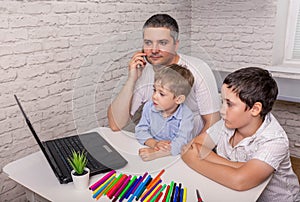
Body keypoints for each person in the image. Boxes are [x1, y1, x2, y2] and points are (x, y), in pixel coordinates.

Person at [181, 67, 300, 201]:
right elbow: (196, 145)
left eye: (229, 104)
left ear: (255, 109)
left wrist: (194, 160)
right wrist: (238, 167)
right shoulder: (228, 122)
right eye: (222, 101)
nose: (222, 110)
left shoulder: (275, 140)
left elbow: (240, 180)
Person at [107, 13, 220, 137]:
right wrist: (131, 79)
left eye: (162, 43)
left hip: (190, 145)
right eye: (148, 43)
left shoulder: (199, 69)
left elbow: (213, 123)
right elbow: (115, 124)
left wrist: (190, 153)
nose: (154, 50)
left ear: (175, 45)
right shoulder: (143, 72)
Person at [135, 64, 195, 161]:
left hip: (174, 157)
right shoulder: (149, 107)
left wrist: (156, 153)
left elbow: (182, 142)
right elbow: (140, 130)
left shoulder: (186, 116)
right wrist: (154, 144)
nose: (154, 96)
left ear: (178, 99)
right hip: (154, 148)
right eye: (154, 90)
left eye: (161, 94)